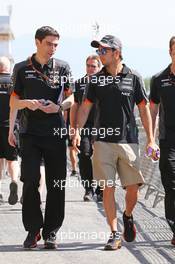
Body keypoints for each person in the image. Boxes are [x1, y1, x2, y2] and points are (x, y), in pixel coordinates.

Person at [72, 35, 157, 250]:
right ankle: (113, 233)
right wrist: (77, 132)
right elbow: (85, 107)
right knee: (107, 188)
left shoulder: (134, 77)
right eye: (98, 50)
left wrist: (151, 140)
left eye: (104, 51)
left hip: (129, 142)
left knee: (132, 189)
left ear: (116, 53)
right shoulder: (96, 80)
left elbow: (144, 109)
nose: (100, 54)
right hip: (102, 142)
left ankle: (127, 215)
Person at [9, 26, 74, 249]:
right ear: (37, 42)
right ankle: (33, 230)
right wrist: (27, 104)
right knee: (29, 181)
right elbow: (14, 103)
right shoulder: (21, 68)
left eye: (56, 44)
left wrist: (58, 107)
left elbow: (71, 98)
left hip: (56, 133)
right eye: (49, 43)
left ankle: (51, 232)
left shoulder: (63, 67)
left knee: (57, 183)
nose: (52, 48)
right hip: (30, 135)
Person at [150, 36, 175, 246]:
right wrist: (151, 139)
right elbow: (153, 111)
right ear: (170, 52)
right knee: (171, 185)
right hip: (168, 141)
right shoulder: (159, 79)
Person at [70, 55, 103, 202]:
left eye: (93, 66)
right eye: (88, 66)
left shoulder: (106, 82)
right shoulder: (80, 83)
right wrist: (74, 130)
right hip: (85, 126)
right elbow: (74, 107)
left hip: (103, 126)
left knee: (102, 158)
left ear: (100, 67)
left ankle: (101, 189)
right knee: (84, 154)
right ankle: (88, 189)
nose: (90, 69)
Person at [0, 56, 19, 205]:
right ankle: (13, 181)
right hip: (11, 126)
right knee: (12, 159)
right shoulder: (14, 83)